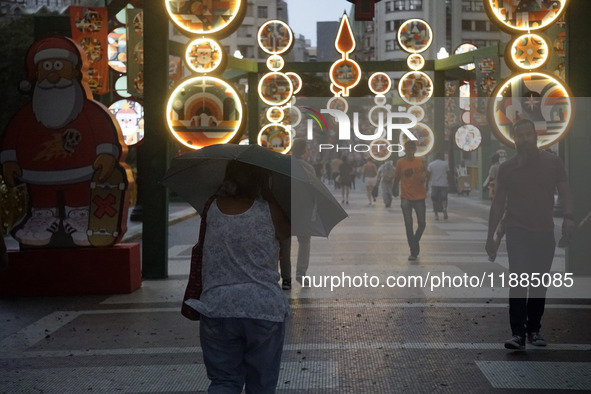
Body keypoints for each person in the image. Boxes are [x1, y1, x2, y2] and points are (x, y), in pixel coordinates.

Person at [0, 36, 124, 247]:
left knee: (79, 199)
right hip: (36, 174)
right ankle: (42, 217)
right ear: (37, 73)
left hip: (81, 172)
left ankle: (79, 216)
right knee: (41, 201)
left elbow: (102, 131)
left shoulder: (88, 111)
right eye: (47, 67)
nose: (53, 74)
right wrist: (9, 160)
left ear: (75, 71)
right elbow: (12, 136)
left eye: (59, 66)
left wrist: (105, 153)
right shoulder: (27, 115)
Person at [185, 160, 291, 393]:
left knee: (224, 381)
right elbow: (285, 232)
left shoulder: (211, 207)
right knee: (261, 384)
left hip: (217, 306)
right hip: (262, 307)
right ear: (258, 180)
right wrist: (268, 191)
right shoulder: (268, 209)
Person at [486, 119, 575, 351]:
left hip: (544, 231)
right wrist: (490, 238)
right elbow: (498, 204)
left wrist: (568, 217)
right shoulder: (507, 168)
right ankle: (517, 333)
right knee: (518, 279)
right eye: (519, 136)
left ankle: (534, 328)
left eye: (527, 135)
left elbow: (565, 191)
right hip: (517, 231)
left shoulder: (553, 163)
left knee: (538, 282)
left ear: (535, 136)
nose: (523, 140)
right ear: (514, 139)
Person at [279, 138, 313, 289]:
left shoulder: (283, 165)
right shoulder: (308, 168)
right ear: (304, 150)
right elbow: (313, 190)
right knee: (304, 241)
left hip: (285, 207)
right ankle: (301, 273)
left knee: (284, 243)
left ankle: (286, 278)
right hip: (303, 209)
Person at [393, 141, 428, 261]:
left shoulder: (421, 161)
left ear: (414, 149)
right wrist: (394, 189)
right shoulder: (400, 162)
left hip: (420, 196)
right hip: (406, 197)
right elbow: (397, 177)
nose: (409, 150)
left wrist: (425, 177)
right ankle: (413, 251)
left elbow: (427, 173)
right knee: (408, 224)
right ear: (404, 149)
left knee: (422, 223)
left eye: (412, 148)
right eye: (407, 148)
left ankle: (414, 242)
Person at [427, 151, 449, 220]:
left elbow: (428, 175)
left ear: (435, 157)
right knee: (444, 198)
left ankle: (436, 214)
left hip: (434, 184)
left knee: (434, 200)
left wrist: (426, 183)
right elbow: (448, 173)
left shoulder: (431, 164)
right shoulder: (445, 164)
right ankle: (444, 208)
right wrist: (448, 181)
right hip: (443, 184)